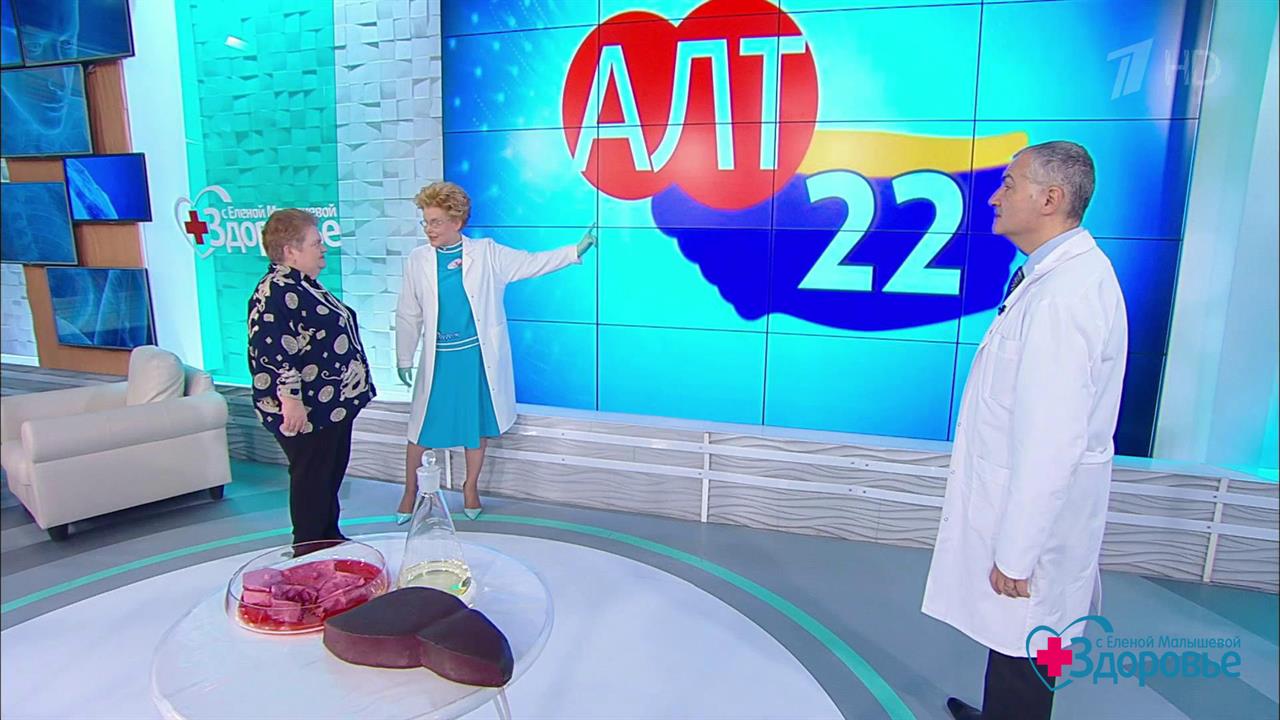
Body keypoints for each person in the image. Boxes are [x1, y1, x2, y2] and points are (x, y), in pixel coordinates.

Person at [921, 141, 1128, 720]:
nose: (994, 197)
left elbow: (1051, 441)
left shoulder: (1064, 297)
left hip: (1039, 527)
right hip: (1038, 516)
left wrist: (1016, 553)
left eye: (1009, 184)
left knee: (1029, 644)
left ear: (1050, 199)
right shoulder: (1054, 279)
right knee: (1023, 638)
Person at [395, 181, 596, 522]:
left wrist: (575, 250)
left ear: (457, 221)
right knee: (421, 429)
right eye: (426, 222)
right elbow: (408, 311)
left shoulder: (487, 253)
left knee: (475, 427)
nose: (429, 229)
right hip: (439, 358)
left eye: (436, 222)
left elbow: (531, 263)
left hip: (475, 358)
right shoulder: (418, 260)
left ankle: (470, 488)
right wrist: (404, 356)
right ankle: (410, 491)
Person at [248, 208, 375, 547]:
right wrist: (290, 400)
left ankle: (328, 539)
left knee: (326, 476)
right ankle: (307, 549)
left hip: (331, 404)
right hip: (307, 410)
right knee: (311, 478)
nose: (323, 248)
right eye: (316, 243)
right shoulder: (275, 291)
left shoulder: (304, 285)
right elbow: (272, 349)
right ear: (290, 250)